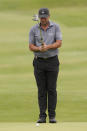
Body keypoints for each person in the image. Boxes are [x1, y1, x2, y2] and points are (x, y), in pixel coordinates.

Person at [29, 8, 62, 123]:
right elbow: (31, 46)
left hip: (52, 61)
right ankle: (42, 116)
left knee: (52, 89)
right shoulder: (34, 29)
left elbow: (59, 43)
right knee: (41, 90)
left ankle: (52, 116)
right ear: (39, 17)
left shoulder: (56, 27)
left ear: (49, 16)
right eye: (41, 17)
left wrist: (48, 47)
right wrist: (39, 48)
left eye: (45, 17)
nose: (43, 19)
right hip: (39, 62)